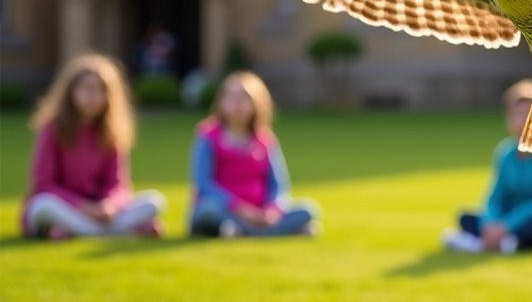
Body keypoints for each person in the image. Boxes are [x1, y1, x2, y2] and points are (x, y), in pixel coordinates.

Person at [21, 53, 166, 239]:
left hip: (100, 212)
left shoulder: (111, 132)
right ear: (70, 92)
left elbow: (117, 184)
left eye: (100, 90)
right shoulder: (53, 130)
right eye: (87, 88)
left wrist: (109, 205)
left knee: (154, 202)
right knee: (42, 206)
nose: (94, 96)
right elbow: (44, 184)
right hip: (64, 207)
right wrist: (84, 207)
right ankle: (120, 232)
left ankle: (76, 231)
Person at [442, 79, 532, 254]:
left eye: (530, 114)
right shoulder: (506, 154)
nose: (524, 120)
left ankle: (491, 242)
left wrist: (508, 224)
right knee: (466, 217)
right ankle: (500, 241)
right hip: (508, 220)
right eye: (519, 114)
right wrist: (491, 223)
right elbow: (495, 198)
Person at [189, 71, 320, 238]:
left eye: (243, 98)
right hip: (223, 210)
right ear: (221, 102)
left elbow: (279, 186)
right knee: (208, 210)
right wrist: (239, 208)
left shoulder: (265, 140)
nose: (237, 104)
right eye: (231, 97)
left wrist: (272, 210)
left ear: (256, 103)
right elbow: (204, 184)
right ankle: (272, 231)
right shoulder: (208, 137)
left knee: (308, 209)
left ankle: (243, 231)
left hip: (259, 212)